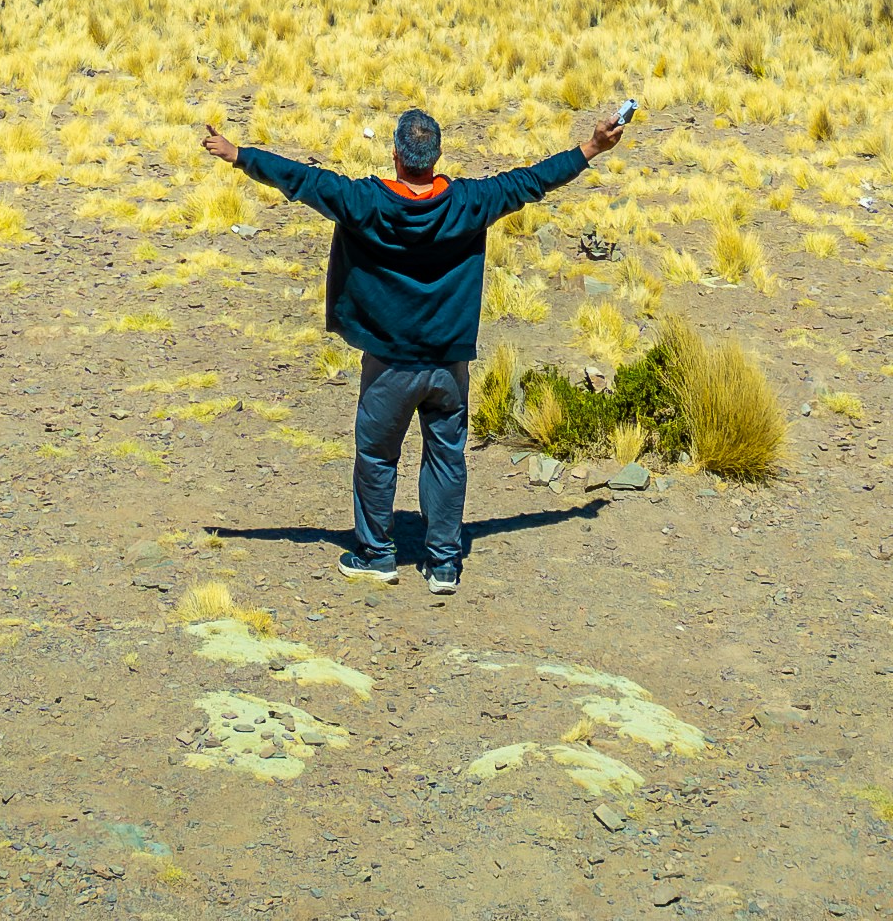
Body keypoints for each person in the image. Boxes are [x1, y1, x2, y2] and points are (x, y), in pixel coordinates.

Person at [198, 98, 630, 593]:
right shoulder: (470, 201)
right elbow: (533, 180)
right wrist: (593, 145)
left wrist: (238, 155)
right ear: (436, 157)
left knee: (378, 456)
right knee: (447, 457)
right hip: (449, 364)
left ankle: (377, 554)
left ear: (397, 157)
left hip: (389, 365)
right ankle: (444, 563)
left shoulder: (366, 201)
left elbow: (301, 179)